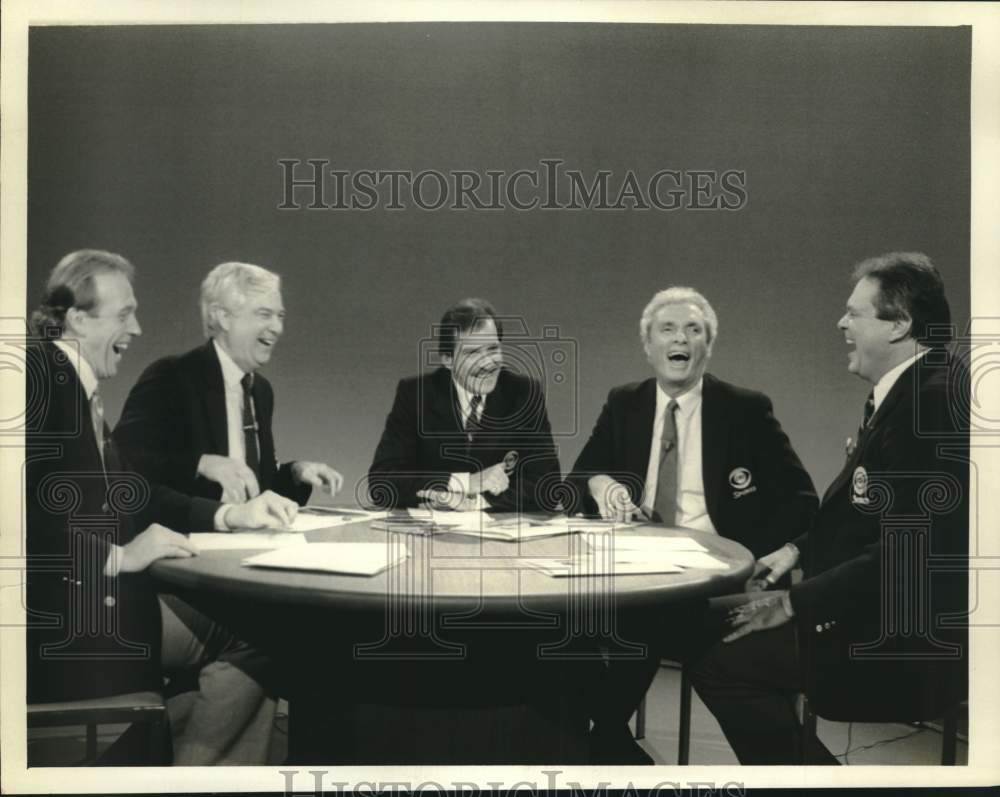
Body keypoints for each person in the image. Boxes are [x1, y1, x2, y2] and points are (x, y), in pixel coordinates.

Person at [689, 252, 968, 764]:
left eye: (854, 313)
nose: (841, 323)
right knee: (707, 627)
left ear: (901, 324)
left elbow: (912, 552)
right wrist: (797, 550)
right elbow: (869, 520)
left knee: (716, 655)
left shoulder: (931, 404)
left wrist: (794, 603)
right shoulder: (915, 390)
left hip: (897, 644)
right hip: (868, 613)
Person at [26, 250, 300, 765]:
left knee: (255, 632)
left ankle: (181, 763)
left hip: (90, 603)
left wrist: (228, 516)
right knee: (260, 633)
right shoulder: (41, 382)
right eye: (124, 314)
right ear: (78, 318)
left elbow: (134, 490)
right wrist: (119, 556)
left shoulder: (70, 386)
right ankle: (191, 773)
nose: (138, 327)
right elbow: (12, 518)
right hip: (69, 622)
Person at [565, 286, 818, 763]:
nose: (679, 338)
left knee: (643, 622)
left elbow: (803, 503)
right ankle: (605, 737)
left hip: (715, 574)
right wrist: (602, 486)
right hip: (635, 568)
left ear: (707, 345)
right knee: (563, 623)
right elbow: (577, 480)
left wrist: (762, 556)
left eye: (692, 329)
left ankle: (602, 738)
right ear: (649, 346)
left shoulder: (745, 408)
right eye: (667, 329)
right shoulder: (625, 403)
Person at [114, 261, 342, 506]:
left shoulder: (261, 391)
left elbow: (258, 490)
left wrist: (296, 473)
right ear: (223, 317)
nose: (277, 328)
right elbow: (121, 463)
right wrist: (201, 464)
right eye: (264, 314)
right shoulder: (171, 377)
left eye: (280, 316)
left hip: (244, 536)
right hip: (188, 536)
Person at [368, 297, 562, 512]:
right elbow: (381, 484)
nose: (488, 363)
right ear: (447, 359)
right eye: (472, 353)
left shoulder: (524, 393)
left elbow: (548, 486)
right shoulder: (415, 394)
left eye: (493, 349)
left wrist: (476, 503)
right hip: (431, 536)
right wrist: (465, 482)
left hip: (497, 536)